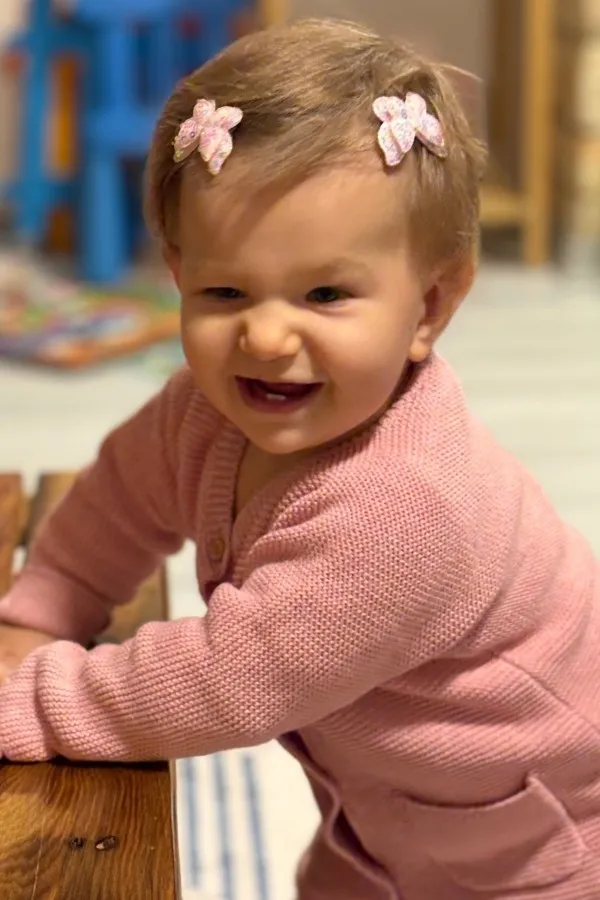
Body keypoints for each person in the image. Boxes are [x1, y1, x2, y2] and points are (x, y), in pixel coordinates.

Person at [1, 18, 599, 899]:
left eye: (324, 293)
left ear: (431, 306)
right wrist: (43, 610)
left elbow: (224, 682)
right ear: (178, 274)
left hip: (530, 846)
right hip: (378, 811)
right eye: (225, 291)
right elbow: (119, 500)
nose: (267, 337)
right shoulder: (204, 410)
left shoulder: (404, 510)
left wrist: (30, 698)